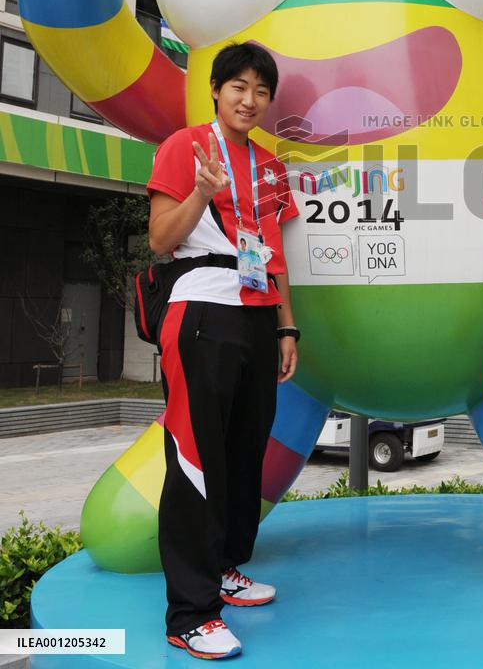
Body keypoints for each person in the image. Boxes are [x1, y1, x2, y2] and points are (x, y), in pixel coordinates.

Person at [148, 41, 300, 660]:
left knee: (243, 452)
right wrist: (201, 195)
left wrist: (287, 328)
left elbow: (274, 253)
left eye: (262, 91)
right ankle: (189, 612)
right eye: (238, 86)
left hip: (259, 315)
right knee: (195, 454)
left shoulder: (270, 165)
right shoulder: (185, 146)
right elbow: (161, 238)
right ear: (215, 89)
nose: (250, 100)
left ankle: (227, 567)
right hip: (201, 307)